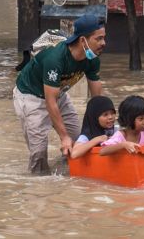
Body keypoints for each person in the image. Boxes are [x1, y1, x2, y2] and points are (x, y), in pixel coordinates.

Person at [13, 13, 107, 174]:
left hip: (60, 95)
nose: (103, 43)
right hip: (31, 97)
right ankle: (38, 189)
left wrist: (101, 121)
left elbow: (96, 96)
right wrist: (63, 137)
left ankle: (66, 174)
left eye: (104, 38)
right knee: (39, 154)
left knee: (80, 141)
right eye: (98, 39)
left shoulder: (93, 58)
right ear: (82, 40)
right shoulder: (55, 58)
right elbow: (50, 102)